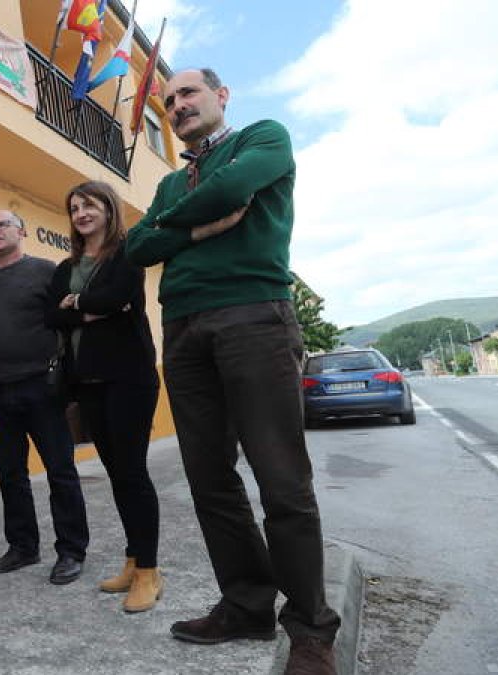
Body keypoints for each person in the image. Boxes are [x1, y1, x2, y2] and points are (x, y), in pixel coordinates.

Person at [124, 68, 340, 673]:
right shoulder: (170, 184)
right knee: (209, 480)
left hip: (254, 317)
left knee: (282, 482)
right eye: (169, 101)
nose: (177, 105)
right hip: (184, 331)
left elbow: (230, 192)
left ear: (221, 96)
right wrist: (191, 228)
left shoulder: (263, 139)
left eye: (188, 93)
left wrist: (168, 233)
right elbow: (136, 248)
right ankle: (246, 604)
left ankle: (311, 632)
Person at [45, 181, 162, 612]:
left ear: (108, 209)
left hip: (129, 378)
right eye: (74, 207)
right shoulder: (66, 265)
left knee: (132, 472)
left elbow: (117, 297)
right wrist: (86, 308)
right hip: (88, 383)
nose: (80, 213)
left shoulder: (128, 254)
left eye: (89, 204)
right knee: (117, 474)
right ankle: (133, 561)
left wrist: (80, 305)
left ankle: (149, 571)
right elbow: (50, 314)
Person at [0, 209, 90, 585]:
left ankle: (71, 550)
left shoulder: (45, 271)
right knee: (9, 474)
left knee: (60, 470)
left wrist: (65, 371)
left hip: (42, 385)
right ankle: (23, 546)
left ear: (21, 232)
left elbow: (65, 320)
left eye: (2, 225)